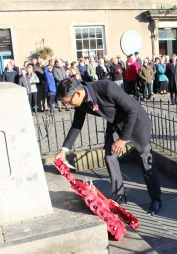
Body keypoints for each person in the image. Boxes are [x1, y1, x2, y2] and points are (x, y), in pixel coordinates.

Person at [55, 78, 163, 215]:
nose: (68, 106)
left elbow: (132, 111)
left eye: (68, 102)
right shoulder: (80, 102)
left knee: (145, 157)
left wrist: (123, 139)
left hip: (135, 121)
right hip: (116, 123)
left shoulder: (106, 87)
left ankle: (156, 198)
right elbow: (76, 125)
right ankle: (120, 196)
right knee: (110, 156)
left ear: (77, 93)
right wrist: (63, 150)